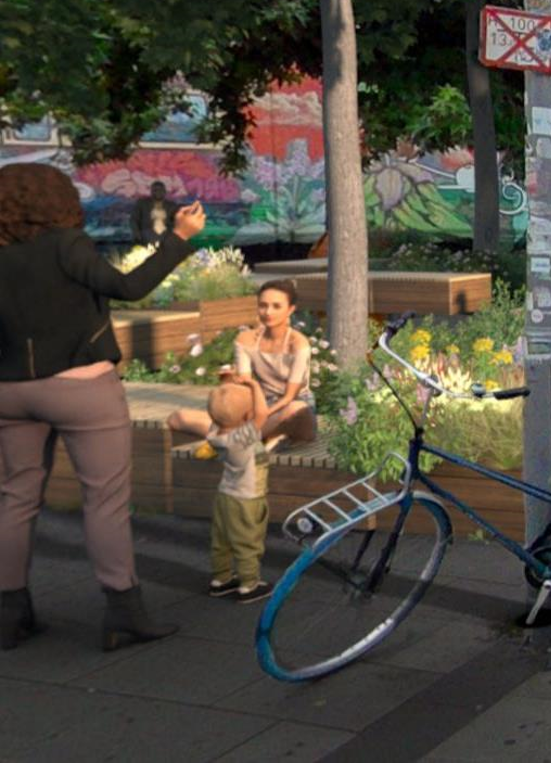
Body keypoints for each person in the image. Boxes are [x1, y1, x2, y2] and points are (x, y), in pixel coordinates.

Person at [0, 163, 203, 652]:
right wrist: (177, 239)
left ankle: (8, 613)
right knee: (105, 499)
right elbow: (128, 287)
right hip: (80, 387)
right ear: (57, 200)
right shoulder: (67, 244)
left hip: (9, 391)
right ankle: (123, 612)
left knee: (15, 498)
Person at [165, 279, 318, 446]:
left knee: (297, 410)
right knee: (178, 417)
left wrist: (260, 415)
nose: (268, 312)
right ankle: (257, 436)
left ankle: (239, 436)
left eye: (276, 306)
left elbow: (289, 396)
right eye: (263, 305)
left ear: (290, 310)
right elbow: (245, 386)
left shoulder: (298, 344)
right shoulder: (246, 340)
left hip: (290, 406)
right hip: (260, 403)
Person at [202, 378, 281, 604]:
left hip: (225, 495)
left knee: (222, 540)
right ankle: (249, 584)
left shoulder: (215, 433)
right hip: (247, 499)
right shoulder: (241, 439)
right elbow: (262, 415)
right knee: (248, 541)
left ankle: (221, 579)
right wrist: (255, 386)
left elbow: (224, 414)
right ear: (246, 418)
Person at [130, 181, 178, 248]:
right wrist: (137, 235)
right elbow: (134, 220)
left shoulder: (172, 206)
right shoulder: (142, 204)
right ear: (151, 191)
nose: (158, 192)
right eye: (155, 190)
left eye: (160, 190)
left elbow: (177, 222)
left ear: (165, 192)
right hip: (147, 235)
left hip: (166, 236)